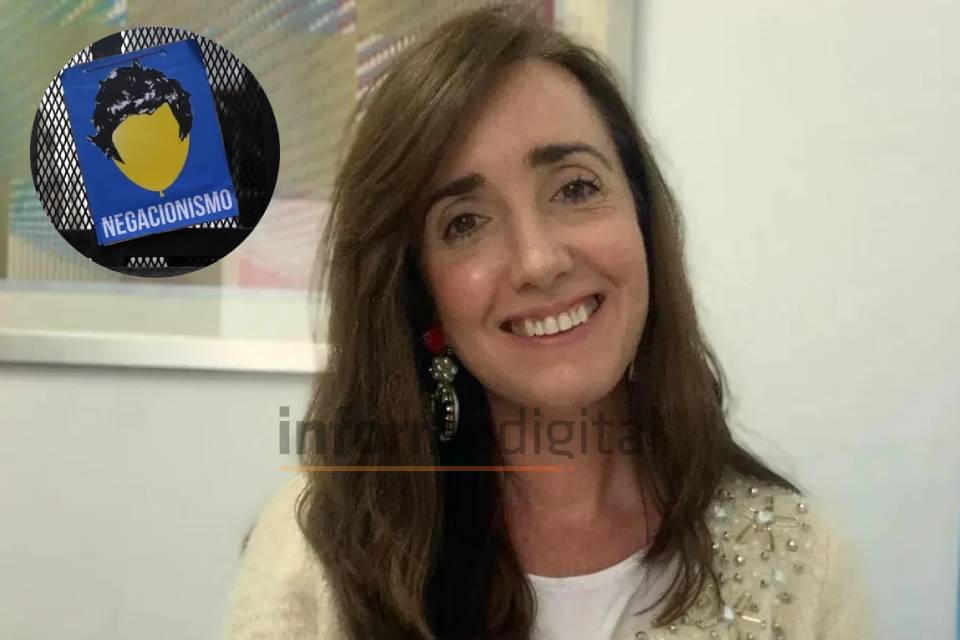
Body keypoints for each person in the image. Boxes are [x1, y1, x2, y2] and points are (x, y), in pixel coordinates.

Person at [222, 4, 874, 639]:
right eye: (465, 223)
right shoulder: (313, 557)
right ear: (420, 294)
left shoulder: (801, 566)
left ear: (643, 218)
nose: (538, 261)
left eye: (575, 188)